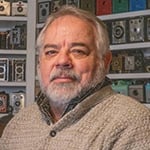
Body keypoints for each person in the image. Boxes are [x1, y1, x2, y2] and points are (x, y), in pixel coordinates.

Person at [0, 5, 150, 150]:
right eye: (51, 52)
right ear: (39, 63)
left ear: (104, 62)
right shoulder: (17, 124)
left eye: (78, 51)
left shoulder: (133, 123)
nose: (62, 61)